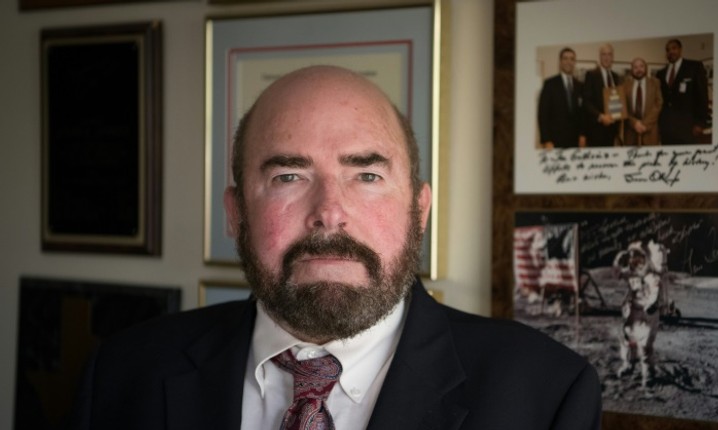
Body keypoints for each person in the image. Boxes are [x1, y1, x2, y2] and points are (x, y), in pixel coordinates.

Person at [70, 65, 602, 430]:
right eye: (289, 176)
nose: (329, 211)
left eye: (367, 175)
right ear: (235, 213)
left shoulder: (547, 395)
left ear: (419, 211)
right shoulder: (122, 375)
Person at [656, 38, 710, 145]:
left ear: (680, 50)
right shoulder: (661, 73)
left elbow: (702, 96)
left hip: (688, 127)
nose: (670, 52)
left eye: (674, 48)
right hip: (666, 128)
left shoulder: (694, 67)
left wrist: (700, 123)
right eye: (668, 50)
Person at [537, 47, 585, 149]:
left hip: (575, 142)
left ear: (574, 62)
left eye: (572, 59)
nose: (569, 62)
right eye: (565, 58)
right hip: (554, 142)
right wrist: (546, 140)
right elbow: (543, 114)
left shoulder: (580, 86)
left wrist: (582, 135)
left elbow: (582, 114)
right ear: (560, 62)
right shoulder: (549, 84)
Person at [582, 43, 622, 147]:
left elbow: (618, 100)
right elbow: (586, 101)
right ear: (600, 57)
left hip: (612, 129)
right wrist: (601, 116)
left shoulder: (616, 77)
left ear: (612, 57)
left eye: (609, 54)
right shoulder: (591, 75)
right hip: (596, 129)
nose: (606, 57)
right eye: (604, 54)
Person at [622, 57, 663, 146]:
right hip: (630, 132)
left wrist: (645, 124)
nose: (638, 69)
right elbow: (623, 107)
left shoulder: (655, 83)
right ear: (632, 70)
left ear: (646, 68)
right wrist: (634, 123)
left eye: (641, 66)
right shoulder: (625, 85)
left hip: (650, 131)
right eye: (635, 67)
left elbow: (658, 104)